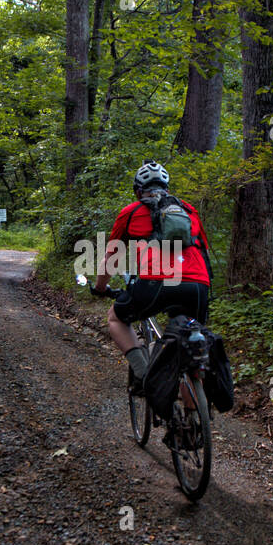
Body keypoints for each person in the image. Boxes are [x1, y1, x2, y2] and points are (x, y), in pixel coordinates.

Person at [93, 161, 212, 384]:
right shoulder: (189, 210)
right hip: (198, 285)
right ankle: (192, 415)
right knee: (186, 349)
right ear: (167, 188)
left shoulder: (132, 212)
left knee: (116, 318)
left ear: (138, 190)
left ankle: (145, 374)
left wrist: (100, 287)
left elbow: (112, 257)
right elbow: (203, 251)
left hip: (156, 283)